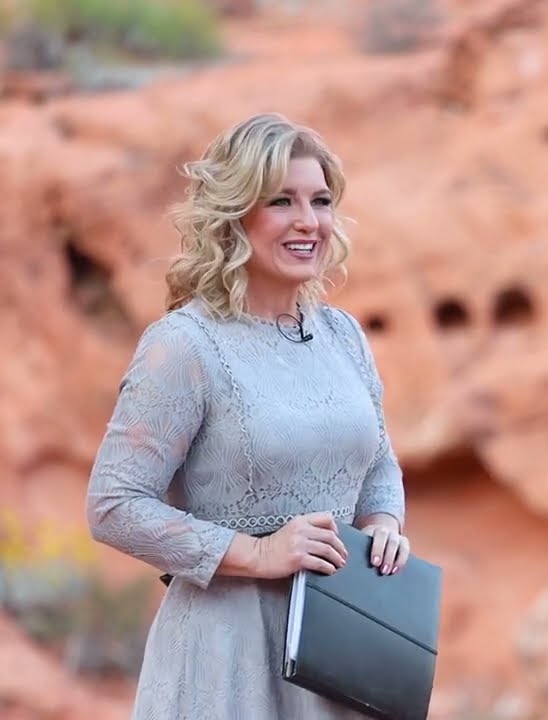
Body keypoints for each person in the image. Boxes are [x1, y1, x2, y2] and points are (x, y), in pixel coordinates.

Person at [85, 112, 410, 719]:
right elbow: (113, 505)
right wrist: (257, 554)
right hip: (227, 655)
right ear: (235, 215)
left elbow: (378, 463)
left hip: (343, 651)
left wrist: (385, 524)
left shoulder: (343, 336)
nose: (308, 222)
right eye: (281, 201)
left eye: (320, 200)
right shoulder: (185, 345)